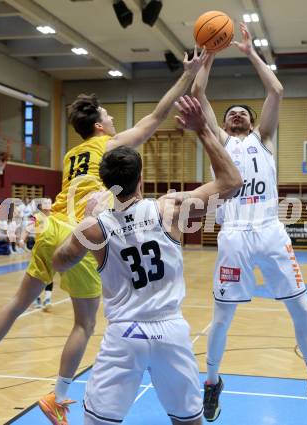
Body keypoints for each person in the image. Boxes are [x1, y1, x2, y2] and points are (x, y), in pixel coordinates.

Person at [0, 48, 206, 425]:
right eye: (108, 115)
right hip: (78, 231)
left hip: (49, 229)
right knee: (84, 324)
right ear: (99, 126)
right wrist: (189, 75)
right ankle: (58, 396)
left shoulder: (71, 153)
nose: (111, 119)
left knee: (18, 300)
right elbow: (158, 114)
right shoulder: (108, 146)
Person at [191, 23, 307, 421]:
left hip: (269, 230)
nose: (235, 115)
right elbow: (197, 94)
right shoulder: (221, 141)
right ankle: (212, 383)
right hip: (233, 234)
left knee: (302, 308)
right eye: (231, 113)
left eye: (241, 113)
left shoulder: (263, 140)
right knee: (222, 317)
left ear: (252, 122)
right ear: (225, 124)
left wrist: (250, 53)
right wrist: (209, 55)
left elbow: (277, 91)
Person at [52, 95, 243, 425]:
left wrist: (83, 220)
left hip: (124, 334)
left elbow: (59, 262)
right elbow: (231, 182)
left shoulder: (95, 227)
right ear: (140, 179)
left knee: (97, 421)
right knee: (189, 421)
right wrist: (202, 131)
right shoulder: (169, 208)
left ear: (107, 184)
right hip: (170, 331)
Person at [18, 198, 55, 311]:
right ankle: (37, 298)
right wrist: (22, 240)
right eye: (45, 202)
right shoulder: (36, 217)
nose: (48, 204)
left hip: (52, 249)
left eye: (49, 202)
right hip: (39, 250)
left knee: (50, 275)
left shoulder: (56, 217)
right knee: (36, 275)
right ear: (41, 206)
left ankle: (48, 299)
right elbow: (27, 229)